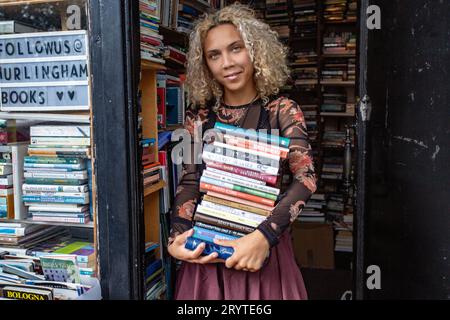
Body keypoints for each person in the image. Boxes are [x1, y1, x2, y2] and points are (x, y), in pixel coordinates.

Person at [167, 3, 317, 300]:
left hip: (263, 251)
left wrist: (264, 237)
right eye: (214, 55)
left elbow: (306, 179)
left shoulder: (282, 111)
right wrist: (176, 238)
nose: (227, 62)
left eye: (236, 48)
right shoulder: (197, 118)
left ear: (255, 50)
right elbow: (189, 183)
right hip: (206, 255)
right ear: (205, 64)